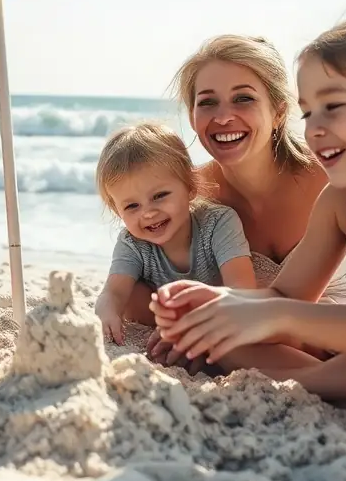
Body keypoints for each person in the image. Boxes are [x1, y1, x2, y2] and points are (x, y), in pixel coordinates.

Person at [153, 12, 346, 424]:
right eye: (309, 113)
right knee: (220, 333)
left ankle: (325, 388)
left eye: (336, 106)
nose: (315, 129)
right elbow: (288, 296)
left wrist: (277, 316)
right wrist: (221, 304)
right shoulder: (343, 199)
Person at [135, 34, 346, 371]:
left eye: (243, 99)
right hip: (266, 341)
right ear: (191, 115)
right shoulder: (189, 196)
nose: (224, 116)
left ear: (278, 112)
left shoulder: (334, 177)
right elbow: (141, 280)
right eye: (207, 102)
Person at [94, 123, 255, 343]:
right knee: (129, 295)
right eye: (132, 206)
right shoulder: (132, 243)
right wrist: (106, 312)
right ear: (117, 211)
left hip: (219, 313)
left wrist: (185, 324)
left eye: (159, 196)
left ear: (190, 187)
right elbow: (112, 293)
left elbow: (242, 290)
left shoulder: (218, 222)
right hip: (161, 317)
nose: (149, 213)